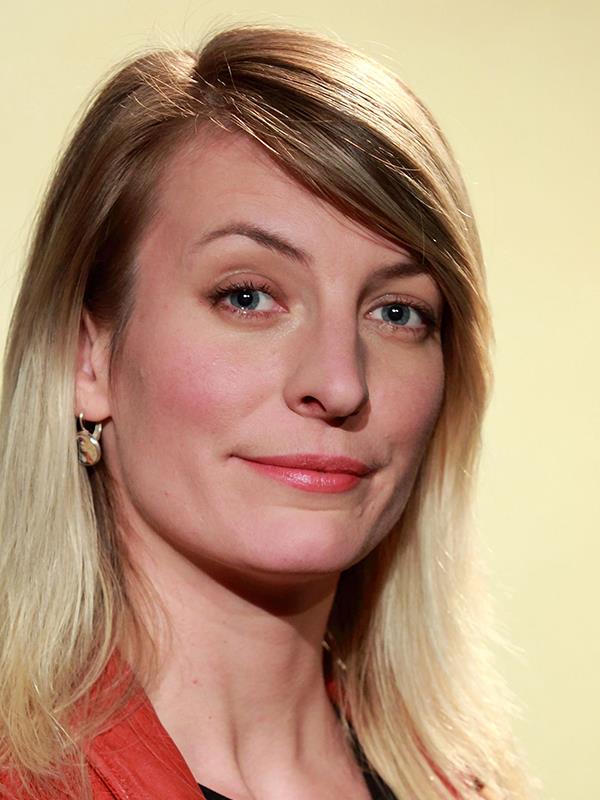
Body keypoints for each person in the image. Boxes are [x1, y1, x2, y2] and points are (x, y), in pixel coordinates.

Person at [0, 25, 532, 800]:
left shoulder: (471, 787)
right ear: (89, 359)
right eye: (248, 296)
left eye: (396, 312)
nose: (339, 383)